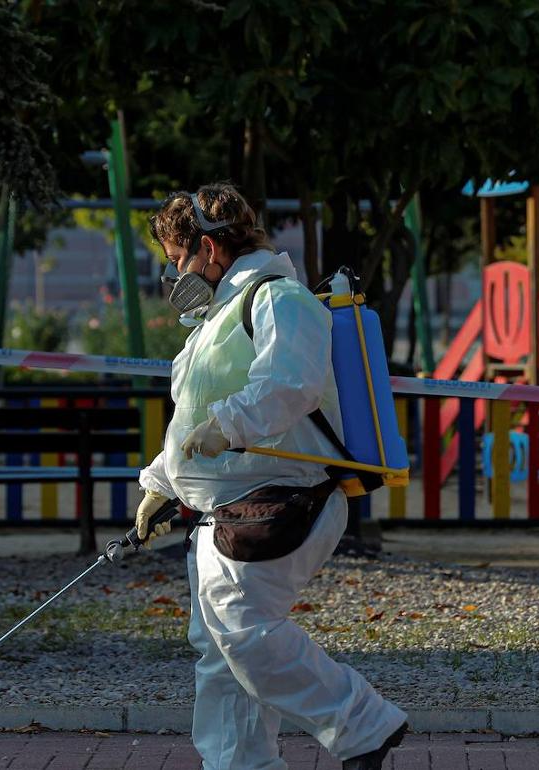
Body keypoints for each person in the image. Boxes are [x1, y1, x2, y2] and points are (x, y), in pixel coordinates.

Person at [135, 183, 407, 770]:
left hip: (283, 501)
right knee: (221, 656)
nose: (173, 270)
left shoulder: (278, 298)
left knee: (245, 634)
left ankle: (364, 723)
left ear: (209, 248)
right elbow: (190, 420)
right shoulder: (214, 321)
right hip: (228, 511)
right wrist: (161, 483)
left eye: (178, 256)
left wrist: (225, 426)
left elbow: (290, 383)